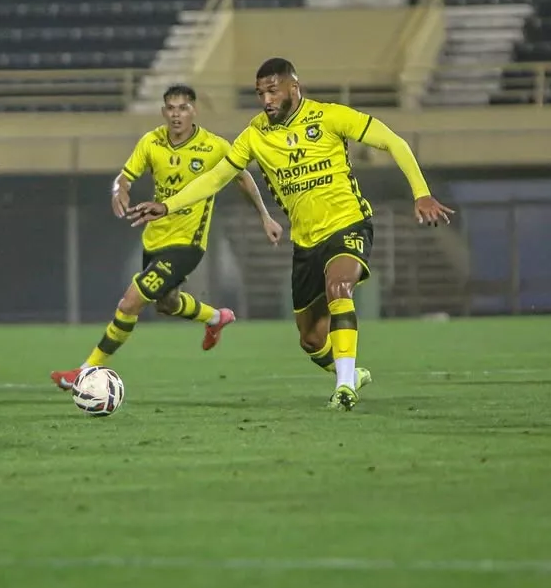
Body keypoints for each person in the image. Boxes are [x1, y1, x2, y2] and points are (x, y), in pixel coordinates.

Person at [128, 58, 454, 411]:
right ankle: (350, 373)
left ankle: (345, 388)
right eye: (260, 93)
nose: (266, 99)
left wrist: (420, 192)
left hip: (349, 223)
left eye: (272, 91)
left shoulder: (329, 116)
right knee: (311, 340)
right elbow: (216, 177)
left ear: (293, 88)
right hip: (305, 242)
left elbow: (393, 141)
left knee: (339, 286)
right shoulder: (254, 135)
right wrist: (169, 205)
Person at [50, 84, 282, 390]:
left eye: (183, 108)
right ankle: (216, 318)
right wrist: (119, 190)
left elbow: (243, 176)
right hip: (154, 239)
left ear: (193, 111)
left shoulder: (213, 146)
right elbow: (125, 176)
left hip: (187, 245)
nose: (176, 114)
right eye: (171, 108)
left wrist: (265, 216)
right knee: (167, 304)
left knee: (130, 301)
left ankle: (84, 372)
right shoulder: (152, 141)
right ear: (163, 112)